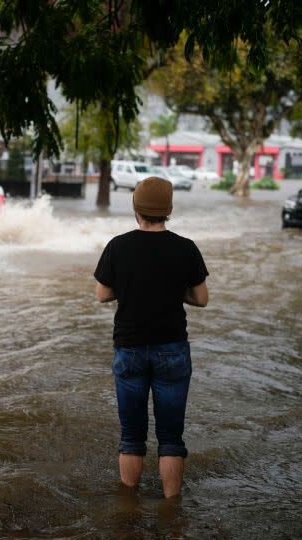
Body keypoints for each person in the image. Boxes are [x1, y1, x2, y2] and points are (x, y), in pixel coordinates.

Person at [93, 176, 209, 499]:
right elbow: (201, 298)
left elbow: (102, 294)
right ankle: (172, 512)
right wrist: (175, 293)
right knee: (171, 438)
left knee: (131, 436)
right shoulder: (186, 248)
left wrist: (130, 289)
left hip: (129, 349)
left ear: (136, 209)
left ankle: (128, 509)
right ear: (168, 211)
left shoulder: (118, 245)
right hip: (172, 349)